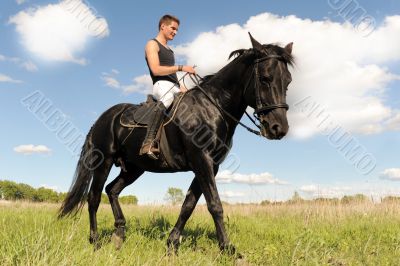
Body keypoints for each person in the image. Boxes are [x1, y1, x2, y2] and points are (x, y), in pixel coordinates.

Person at [140, 14, 196, 159]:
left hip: (174, 85)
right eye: (173, 28)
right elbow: (156, 70)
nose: (175, 32)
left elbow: (173, 75)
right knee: (167, 99)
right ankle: (148, 143)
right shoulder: (152, 44)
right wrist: (182, 67)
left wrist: (184, 87)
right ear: (163, 26)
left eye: (177, 30)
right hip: (161, 85)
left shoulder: (170, 51)